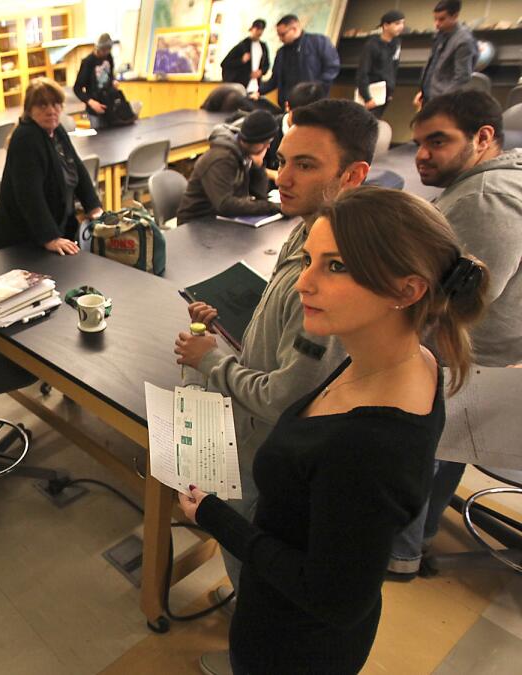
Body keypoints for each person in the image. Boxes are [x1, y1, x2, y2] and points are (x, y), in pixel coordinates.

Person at [179, 185, 489, 674]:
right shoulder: (408, 361)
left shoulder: (370, 446)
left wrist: (215, 517)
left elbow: (334, 598)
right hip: (280, 614)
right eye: (309, 260)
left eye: (336, 266)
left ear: (407, 290)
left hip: (293, 646)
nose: (304, 284)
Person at [175, 100, 377, 651]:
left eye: (305, 165)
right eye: (282, 160)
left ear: (352, 175)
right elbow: (285, 333)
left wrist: (211, 362)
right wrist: (232, 332)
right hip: (255, 436)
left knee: (259, 572)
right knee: (249, 566)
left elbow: (287, 396)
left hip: (271, 454)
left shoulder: (341, 273)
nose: (281, 178)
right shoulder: (311, 230)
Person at [389, 90, 522, 579]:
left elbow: (459, 301)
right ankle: (415, 540)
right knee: (443, 455)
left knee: (424, 456)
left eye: (437, 141)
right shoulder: (502, 180)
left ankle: (397, 554)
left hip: (464, 358)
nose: (422, 154)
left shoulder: (485, 198)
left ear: (483, 137)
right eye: (418, 142)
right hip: (487, 359)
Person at [0, 78, 104, 255]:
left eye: (56, 104)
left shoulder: (56, 130)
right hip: (17, 241)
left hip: (44, 232)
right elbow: (29, 195)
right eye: (42, 106)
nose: (51, 111)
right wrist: (50, 238)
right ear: (29, 110)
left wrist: (93, 207)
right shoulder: (26, 137)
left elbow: (76, 167)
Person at [176, 110, 280, 222]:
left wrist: (258, 167)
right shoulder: (221, 159)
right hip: (196, 223)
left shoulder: (244, 153)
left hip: (221, 219)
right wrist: (270, 207)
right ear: (256, 141)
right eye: (267, 142)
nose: (268, 146)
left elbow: (260, 196)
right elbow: (225, 204)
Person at [260, 15, 340, 99]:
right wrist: (258, 91)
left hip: (314, 102)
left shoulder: (319, 42)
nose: (280, 39)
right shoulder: (281, 53)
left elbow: (332, 68)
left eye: (283, 35)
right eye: (279, 35)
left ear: (294, 29)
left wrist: (316, 89)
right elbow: (275, 79)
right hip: (288, 103)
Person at [415, 1, 477, 109]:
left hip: (443, 101)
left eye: (442, 19)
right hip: (429, 96)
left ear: (455, 16)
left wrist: (443, 100)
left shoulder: (464, 41)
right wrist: (423, 91)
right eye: (435, 19)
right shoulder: (440, 34)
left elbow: (462, 77)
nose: (437, 23)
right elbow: (432, 65)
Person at [263, 80, 328, 172]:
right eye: (299, 117)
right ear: (287, 106)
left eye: (310, 120)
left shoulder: (324, 136)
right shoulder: (268, 127)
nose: (304, 124)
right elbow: (252, 166)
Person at [356, 10, 405, 118]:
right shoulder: (372, 45)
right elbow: (363, 71)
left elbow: (394, 67)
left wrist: (390, 91)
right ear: (386, 25)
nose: (401, 27)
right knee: (366, 122)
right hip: (372, 90)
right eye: (397, 24)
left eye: (402, 23)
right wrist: (367, 97)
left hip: (385, 91)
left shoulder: (396, 43)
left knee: (377, 122)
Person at [74, 33, 119, 130]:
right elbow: (77, 89)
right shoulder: (88, 62)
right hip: (95, 111)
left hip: (110, 106)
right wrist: (91, 102)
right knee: (98, 141)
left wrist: (113, 81)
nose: (105, 53)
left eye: (108, 50)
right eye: (103, 50)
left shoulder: (109, 57)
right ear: (97, 48)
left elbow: (110, 75)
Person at [220, 20, 270, 94]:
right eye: (257, 29)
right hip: (241, 86)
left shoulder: (263, 46)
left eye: (261, 30)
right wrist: (241, 60)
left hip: (257, 87)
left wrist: (261, 71)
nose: (259, 32)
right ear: (252, 29)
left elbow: (267, 64)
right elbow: (225, 63)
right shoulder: (242, 45)